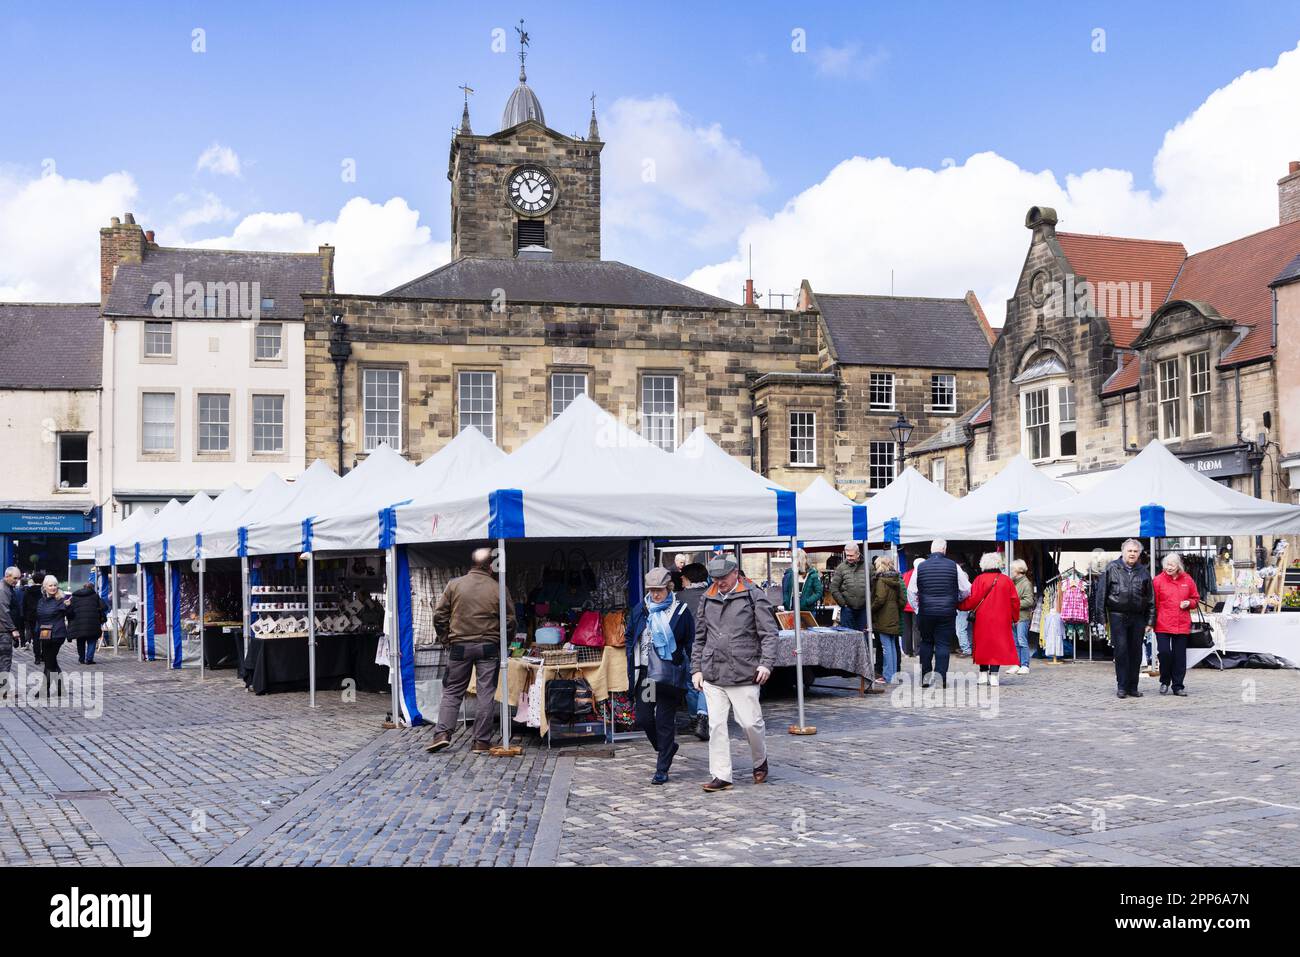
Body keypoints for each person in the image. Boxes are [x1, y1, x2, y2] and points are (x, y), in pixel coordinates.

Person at [691, 556, 777, 793]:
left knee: (750, 723)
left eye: (723, 577)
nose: (719, 582)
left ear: (735, 573)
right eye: (715, 578)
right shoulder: (707, 597)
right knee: (716, 725)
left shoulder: (753, 595)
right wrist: (696, 669)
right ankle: (721, 775)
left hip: (744, 670)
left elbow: (769, 634)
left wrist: (766, 664)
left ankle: (760, 760)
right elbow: (700, 637)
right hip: (713, 671)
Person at [426, 548, 516, 754]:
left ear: (472, 564)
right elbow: (510, 621)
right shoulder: (498, 588)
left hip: (459, 646)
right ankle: (481, 742)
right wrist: (505, 644)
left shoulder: (454, 585)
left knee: (452, 691)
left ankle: (442, 734)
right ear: (491, 567)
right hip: (488, 646)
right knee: (485, 693)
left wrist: (446, 639)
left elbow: (439, 616)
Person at [625, 567, 696, 784]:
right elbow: (630, 634)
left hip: (669, 674)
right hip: (647, 674)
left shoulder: (681, 611)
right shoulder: (642, 609)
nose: (656, 594)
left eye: (660, 590)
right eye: (652, 590)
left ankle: (662, 768)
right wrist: (633, 652)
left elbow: (690, 641)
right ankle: (667, 748)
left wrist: (690, 668)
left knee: (665, 720)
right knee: (645, 718)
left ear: (669, 587)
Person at [906, 540, 971, 688]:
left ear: (931, 549)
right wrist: (957, 599)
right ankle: (940, 678)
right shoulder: (953, 566)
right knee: (943, 644)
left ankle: (925, 678)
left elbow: (911, 591)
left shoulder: (920, 567)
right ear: (945, 550)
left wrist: (917, 608)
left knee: (926, 643)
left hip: (926, 612)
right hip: (947, 612)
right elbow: (967, 589)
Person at [1096, 539, 1155, 699]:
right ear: (1123, 552)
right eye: (1130, 551)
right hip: (1117, 615)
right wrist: (1101, 616)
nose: (1132, 554)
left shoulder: (1144, 572)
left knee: (1136, 653)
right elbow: (1101, 593)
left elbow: (1150, 598)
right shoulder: (1112, 568)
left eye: (1135, 551)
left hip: (1137, 617)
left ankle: (1133, 687)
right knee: (1121, 651)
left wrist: (1150, 621)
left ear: (1139, 554)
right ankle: (1122, 686)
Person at [958, 553, 1020, 685]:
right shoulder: (1006, 580)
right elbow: (1014, 601)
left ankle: (983, 674)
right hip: (1001, 619)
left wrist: (959, 605)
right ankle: (994, 676)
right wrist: (1015, 618)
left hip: (982, 619)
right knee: (997, 647)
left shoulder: (979, 579)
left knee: (982, 646)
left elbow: (972, 599)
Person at [1152, 553, 1199, 697]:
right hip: (1163, 623)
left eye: (1172, 564)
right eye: (1167, 564)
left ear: (1178, 565)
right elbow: (1152, 603)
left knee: (1179, 656)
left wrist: (1189, 603)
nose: (1169, 567)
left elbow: (1196, 599)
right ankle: (1165, 681)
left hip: (1181, 623)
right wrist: (1150, 622)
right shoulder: (1158, 581)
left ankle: (1178, 685)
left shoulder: (1187, 579)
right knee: (1165, 653)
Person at [676, 562, 711, 740]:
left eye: (683, 576)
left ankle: (694, 718)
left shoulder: (679, 598)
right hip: (710, 645)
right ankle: (702, 716)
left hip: (687, 645)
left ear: (689, 578)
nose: (680, 579)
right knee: (705, 683)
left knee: (691, 683)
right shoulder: (712, 595)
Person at [870, 554, 904, 683]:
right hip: (894, 614)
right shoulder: (897, 579)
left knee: (886, 647)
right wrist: (895, 608)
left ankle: (888, 675)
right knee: (892, 646)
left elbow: (880, 599)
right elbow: (902, 600)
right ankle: (893, 674)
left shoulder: (880, 580)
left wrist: (871, 609)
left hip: (883, 616)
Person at [35, 575, 71, 696]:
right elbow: (39, 618)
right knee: (51, 661)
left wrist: (68, 607)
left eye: (55, 585)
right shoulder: (41, 600)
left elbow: (71, 615)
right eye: (50, 585)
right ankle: (61, 688)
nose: (53, 587)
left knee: (49, 662)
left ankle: (44, 690)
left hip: (57, 635)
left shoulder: (61, 600)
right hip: (44, 634)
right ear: (45, 587)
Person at [68, 577, 108, 665]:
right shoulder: (95, 596)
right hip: (92, 623)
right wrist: (97, 609)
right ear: (92, 588)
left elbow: (69, 609)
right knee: (92, 640)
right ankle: (89, 659)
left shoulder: (74, 597)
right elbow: (105, 607)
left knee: (80, 641)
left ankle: (81, 658)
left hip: (78, 623)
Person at [1010, 559, 1035, 674]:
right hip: (1014, 617)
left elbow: (1029, 601)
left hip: (1022, 617)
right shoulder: (1013, 582)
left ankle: (1025, 664)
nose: (1011, 571)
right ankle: (1016, 663)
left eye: (1012, 569)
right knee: (1015, 642)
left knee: (1022, 641)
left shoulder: (1026, 583)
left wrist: (1013, 605)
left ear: (1018, 570)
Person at [0, 567, 21, 692]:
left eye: (18, 578)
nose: (17, 581)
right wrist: (13, 629)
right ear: (7, 576)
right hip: (3, 631)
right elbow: (3, 611)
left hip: (4, 629)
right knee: (4, 660)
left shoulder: (7, 588)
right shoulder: (3, 590)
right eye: (15, 578)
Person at [901, 557, 922, 657]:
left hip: (905, 605)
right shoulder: (921, 574)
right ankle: (918, 651)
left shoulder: (905, 574)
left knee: (906, 629)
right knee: (917, 629)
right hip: (916, 605)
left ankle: (907, 651)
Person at [23, 572, 44, 664]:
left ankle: (37, 657)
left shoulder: (28, 591)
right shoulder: (44, 591)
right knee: (44, 636)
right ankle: (43, 655)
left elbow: (24, 605)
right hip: (43, 616)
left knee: (35, 637)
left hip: (31, 617)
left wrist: (25, 617)